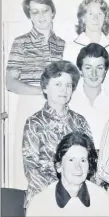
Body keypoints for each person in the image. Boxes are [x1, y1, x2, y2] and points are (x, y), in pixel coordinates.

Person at [6, 0, 65, 190]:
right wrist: (42, 92)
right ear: (29, 15)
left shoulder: (62, 44)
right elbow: (10, 83)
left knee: (56, 160)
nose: (40, 17)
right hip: (29, 105)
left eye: (44, 11)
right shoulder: (20, 42)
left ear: (53, 12)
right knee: (28, 166)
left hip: (56, 108)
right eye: (34, 12)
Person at [22, 61, 92, 207]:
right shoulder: (34, 123)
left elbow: (89, 160)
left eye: (68, 85)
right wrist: (60, 194)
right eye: (58, 84)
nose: (64, 90)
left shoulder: (80, 121)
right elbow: (31, 169)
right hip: (43, 198)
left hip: (76, 196)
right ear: (45, 88)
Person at [26, 132, 109, 216]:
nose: (78, 167)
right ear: (59, 166)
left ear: (89, 166)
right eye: (71, 160)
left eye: (83, 160)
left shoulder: (101, 198)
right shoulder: (39, 204)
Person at [69, 43, 109, 152]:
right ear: (80, 70)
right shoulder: (70, 97)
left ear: (105, 71)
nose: (94, 73)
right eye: (88, 67)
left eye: (99, 68)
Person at [63, 0, 109, 90]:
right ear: (83, 18)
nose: (95, 18)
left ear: (105, 18)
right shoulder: (71, 48)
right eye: (91, 13)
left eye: (100, 14)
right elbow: (67, 81)